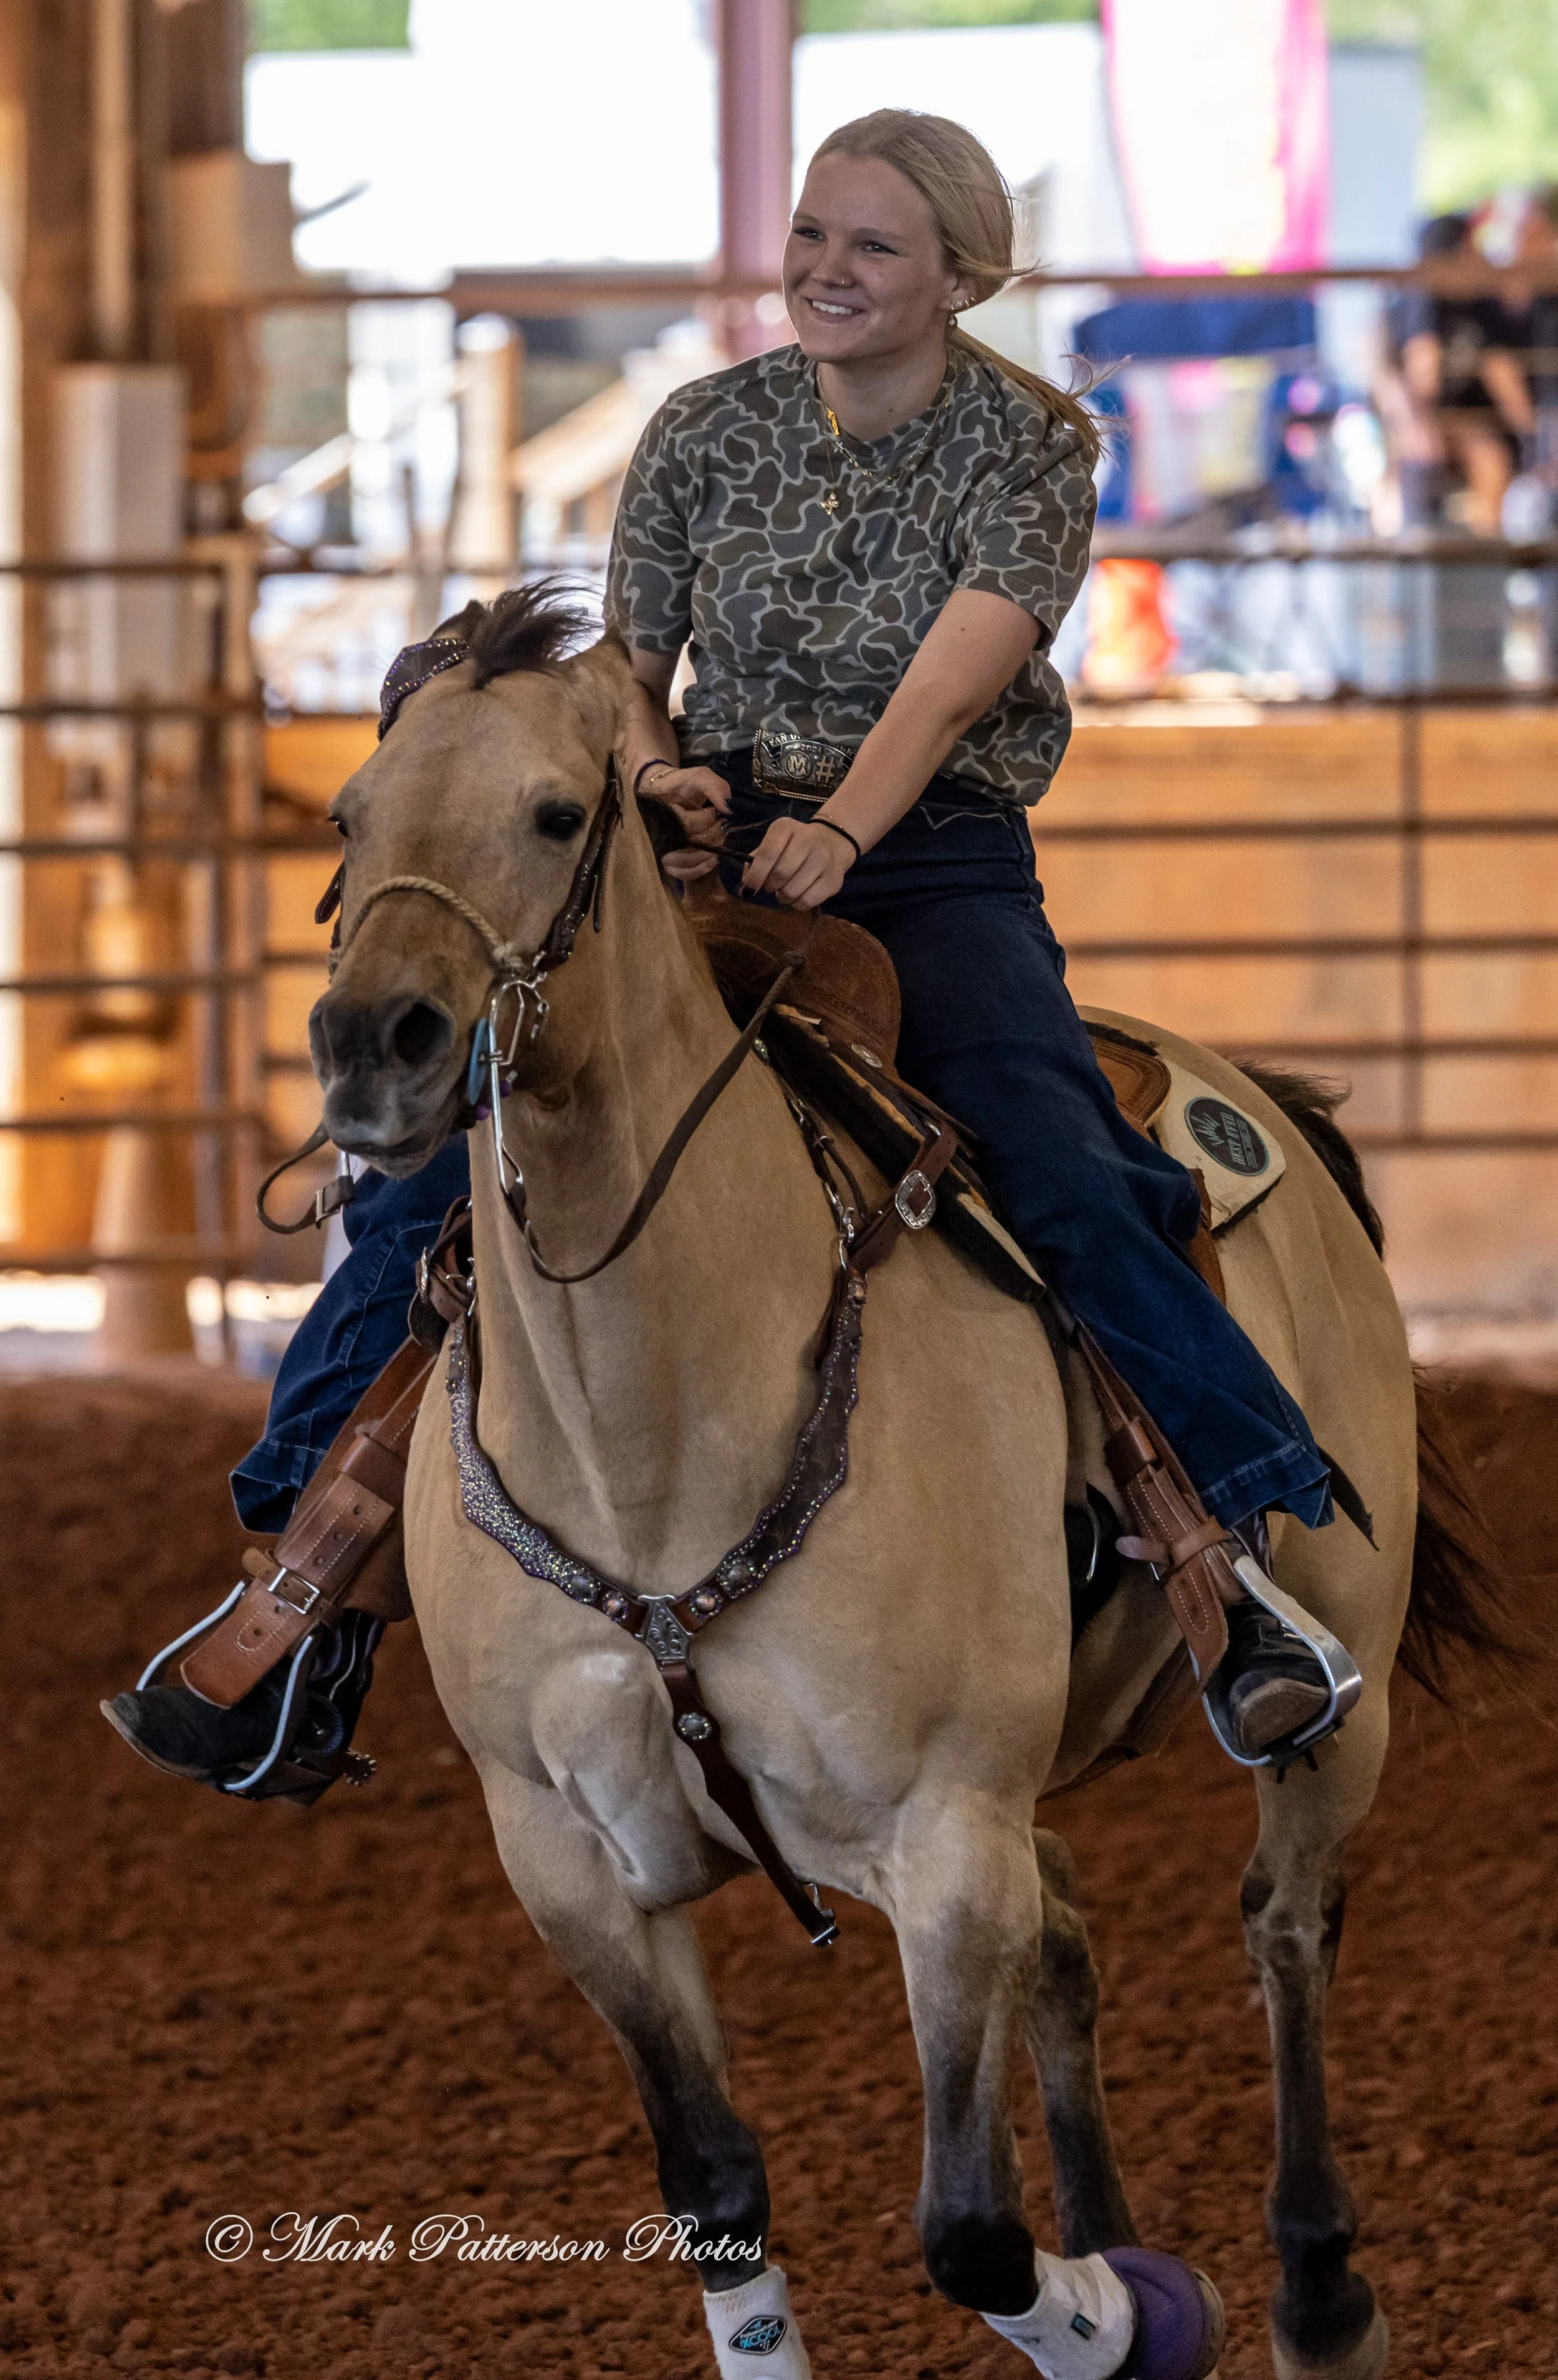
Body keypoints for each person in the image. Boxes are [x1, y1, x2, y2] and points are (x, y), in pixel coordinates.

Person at [105, 109, 1352, 1795]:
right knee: (441, 1172)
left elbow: (957, 673)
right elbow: (633, 655)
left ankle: (1230, 1542)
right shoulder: (704, 426)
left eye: (874, 247)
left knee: (1052, 1141)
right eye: (815, 236)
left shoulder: (1034, 442)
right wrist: (654, 766)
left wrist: (846, 827)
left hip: (934, 854)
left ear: (959, 276)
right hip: (705, 839)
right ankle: (296, 1584)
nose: (827, 272)